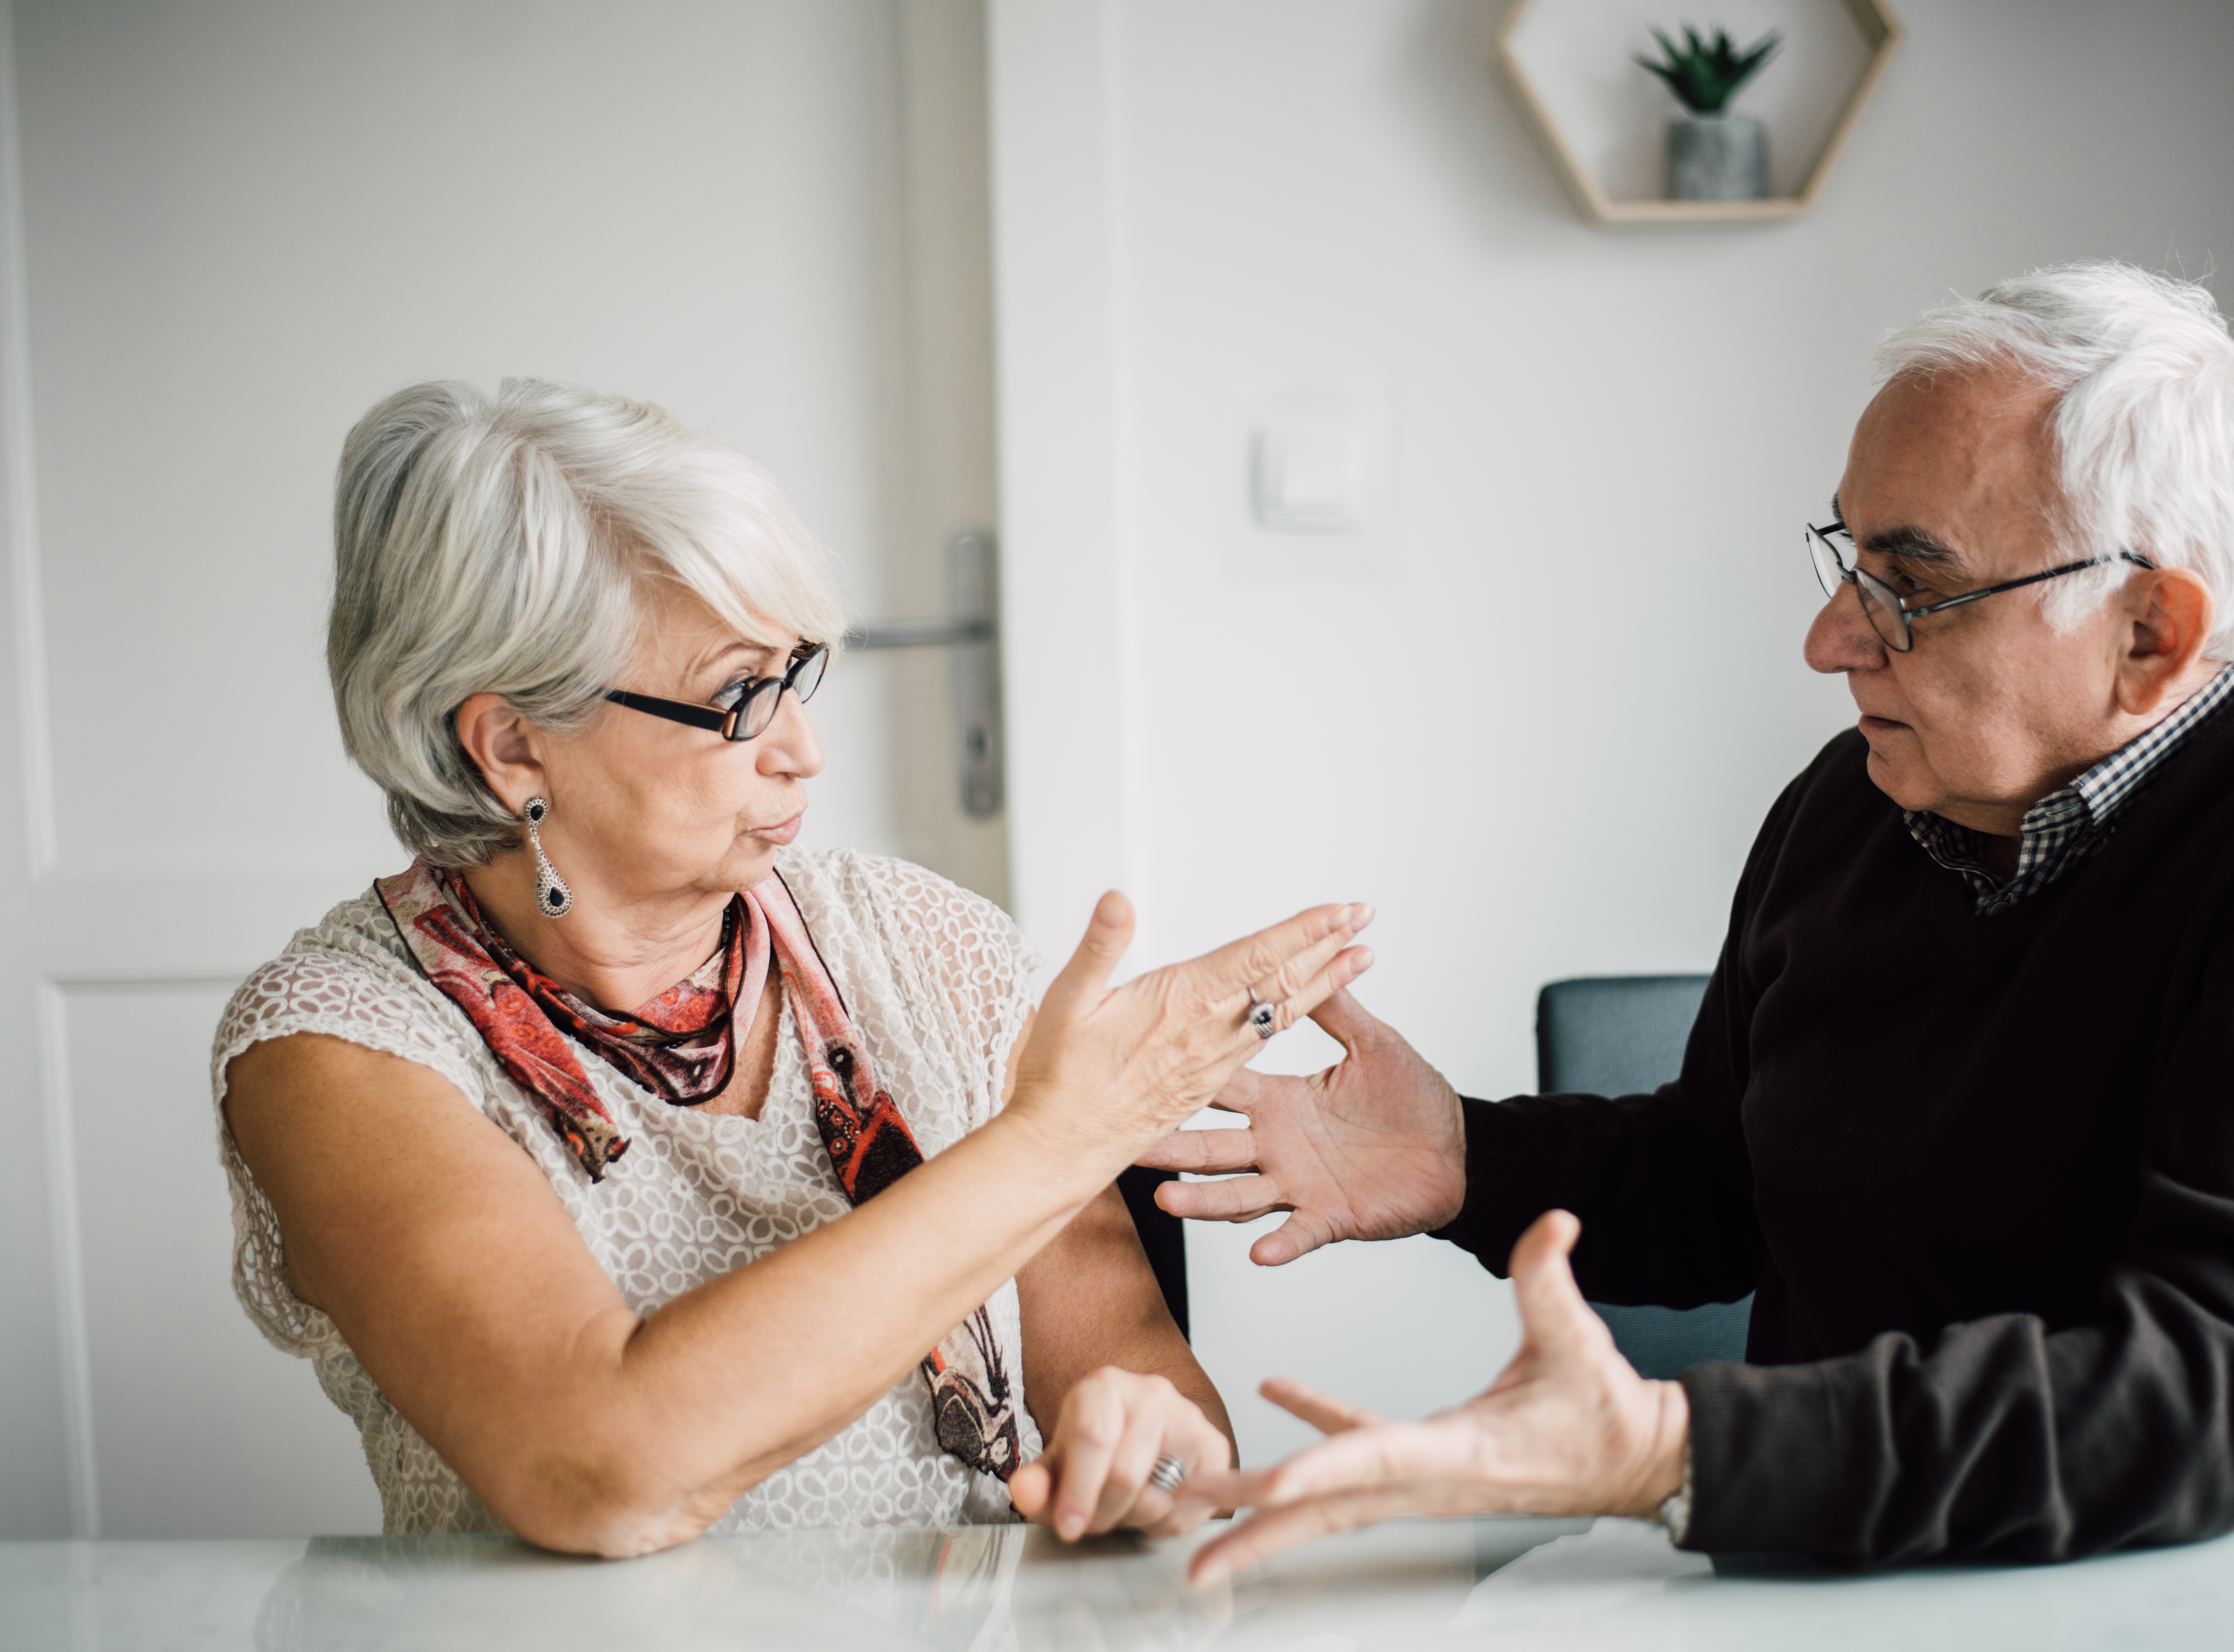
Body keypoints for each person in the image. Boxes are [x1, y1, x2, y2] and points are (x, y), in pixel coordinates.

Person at [1147, 263, 2234, 1631]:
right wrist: (1466, 1160)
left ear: (2151, 634)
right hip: (1829, 1594)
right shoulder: (1866, 797)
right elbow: (1726, 1187)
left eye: (1912, 583)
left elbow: (2221, 1385)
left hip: (2206, 1611)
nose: (1830, 638)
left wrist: (1678, 1454)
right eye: (1848, 559)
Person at [215, 379, 1372, 1554]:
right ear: (514, 744)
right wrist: (1064, 1134)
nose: (805, 751)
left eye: (798, 672)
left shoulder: (932, 947)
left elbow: (1158, 1410)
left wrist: (1151, 1455)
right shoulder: (341, 1045)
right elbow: (602, 1470)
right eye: (738, 697)